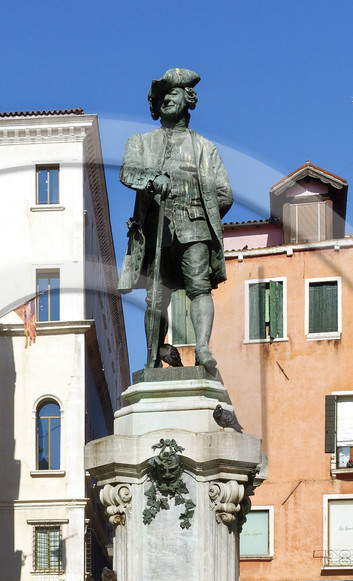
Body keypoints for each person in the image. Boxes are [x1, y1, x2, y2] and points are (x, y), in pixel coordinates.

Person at [118, 67, 234, 375]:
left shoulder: (206, 148)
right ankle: (153, 357)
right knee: (155, 297)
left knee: (200, 287)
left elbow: (225, 194)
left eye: (174, 92)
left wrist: (202, 213)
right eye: (161, 95)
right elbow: (127, 172)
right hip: (156, 228)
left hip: (194, 226)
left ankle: (203, 348)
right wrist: (153, 178)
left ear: (189, 97)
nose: (166, 98)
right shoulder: (140, 142)